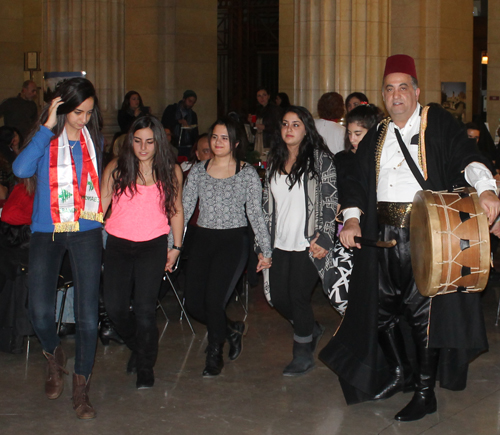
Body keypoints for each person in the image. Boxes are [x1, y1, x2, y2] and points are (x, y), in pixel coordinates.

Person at [320, 54, 500, 422]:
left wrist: (485, 188)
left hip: (427, 235)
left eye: (404, 87)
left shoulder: (438, 122)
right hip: (381, 236)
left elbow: (467, 156)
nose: (397, 94)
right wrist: (352, 219)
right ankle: (400, 372)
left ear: (416, 92)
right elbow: (354, 178)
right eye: (390, 88)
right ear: (383, 96)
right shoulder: (378, 133)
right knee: (381, 310)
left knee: (423, 316)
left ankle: (424, 391)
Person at [12, 77, 104, 420]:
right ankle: (54, 354)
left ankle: (81, 386)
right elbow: (21, 169)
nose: (83, 119)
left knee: (88, 316)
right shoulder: (44, 140)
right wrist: (46, 128)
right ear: (61, 108)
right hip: (46, 232)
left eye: (89, 112)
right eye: (77, 112)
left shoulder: (94, 141)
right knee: (38, 309)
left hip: (86, 231)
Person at [181, 116, 272, 377]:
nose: (218, 142)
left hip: (233, 241)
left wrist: (265, 250)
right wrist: (172, 245)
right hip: (203, 239)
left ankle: (214, 353)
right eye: (214, 137)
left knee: (213, 301)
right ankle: (231, 328)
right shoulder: (199, 170)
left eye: (224, 138)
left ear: (235, 142)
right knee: (194, 303)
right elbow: (185, 210)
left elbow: (256, 214)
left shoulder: (247, 173)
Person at [101, 115, 183, 389]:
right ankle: (139, 346)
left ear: (158, 142)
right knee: (115, 308)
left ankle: (145, 366)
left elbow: (176, 210)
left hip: (153, 244)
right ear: (129, 142)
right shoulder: (116, 169)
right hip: (118, 245)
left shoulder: (171, 171)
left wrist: (176, 247)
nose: (143, 148)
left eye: (149, 142)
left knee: (146, 310)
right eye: (137, 141)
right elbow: (99, 207)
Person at [261, 105, 337, 376]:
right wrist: (262, 246)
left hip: (309, 241)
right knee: (278, 298)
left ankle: (303, 354)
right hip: (279, 241)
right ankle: (311, 329)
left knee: (298, 296)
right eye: (285, 124)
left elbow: (330, 200)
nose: (289, 129)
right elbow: (266, 205)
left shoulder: (320, 159)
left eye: (295, 124)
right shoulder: (274, 160)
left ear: (306, 128)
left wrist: (326, 237)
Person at [247, 87, 282, 159]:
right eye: (259, 96)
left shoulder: (275, 110)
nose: (261, 98)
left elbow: (279, 127)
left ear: (268, 96)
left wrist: (264, 127)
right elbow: (254, 130)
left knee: (267, 160)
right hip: (258, 140)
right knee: (258, 160)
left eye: (264, 95)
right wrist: (251, 123)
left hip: (269, 141)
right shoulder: (257, 110)